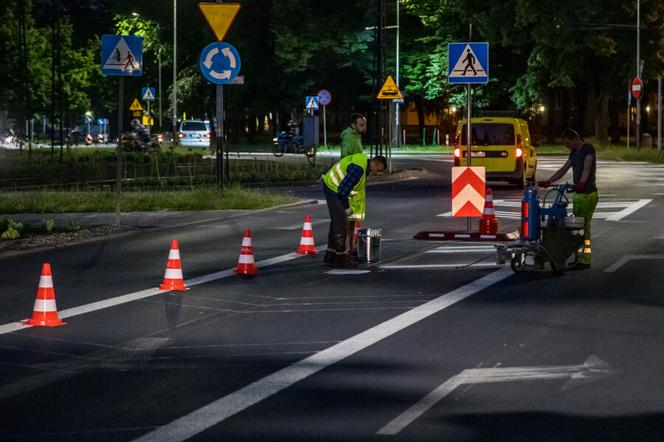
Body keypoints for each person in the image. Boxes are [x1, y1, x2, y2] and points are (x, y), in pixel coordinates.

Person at [537, 129, 598, 269]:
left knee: (583, 227)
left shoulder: (588, 149)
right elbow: (563, 170)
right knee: (577, 227)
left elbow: (586, 167)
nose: (566, 146)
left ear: (574, 138)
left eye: (567, 143)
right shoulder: (574, 152)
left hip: (588, 194)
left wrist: (582, 183)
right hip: (578, 194)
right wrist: (548, 181)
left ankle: (585, 259)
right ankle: (579, 256)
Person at [322, 153, 387, 268]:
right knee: (341, 224)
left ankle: (330, 255)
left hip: (332, 186)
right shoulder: (358, 170)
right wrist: (347, 207)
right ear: (374, 163)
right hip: (333, 188)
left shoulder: (363, 163)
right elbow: (342, 192)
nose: (379, 173)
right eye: (379, 170)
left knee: (336, 222)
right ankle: (341, 258)